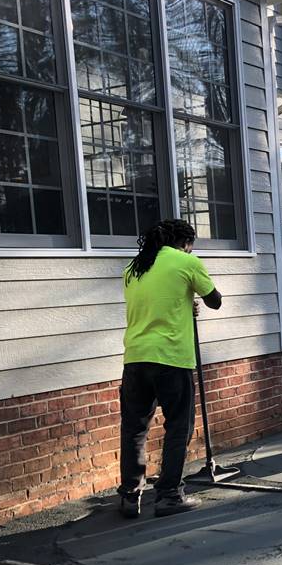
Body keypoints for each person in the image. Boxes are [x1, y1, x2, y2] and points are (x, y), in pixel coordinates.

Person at [118, 219, 223, 518]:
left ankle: (129, 493)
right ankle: (168, 495)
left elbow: (154, 303)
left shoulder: (134, 268)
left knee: (134, 428)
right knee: (178, 426)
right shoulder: (186, 261)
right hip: (171, 359)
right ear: (186, 242)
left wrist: (183, 300)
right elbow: (215, 301)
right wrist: (192, 294)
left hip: (135, 359)